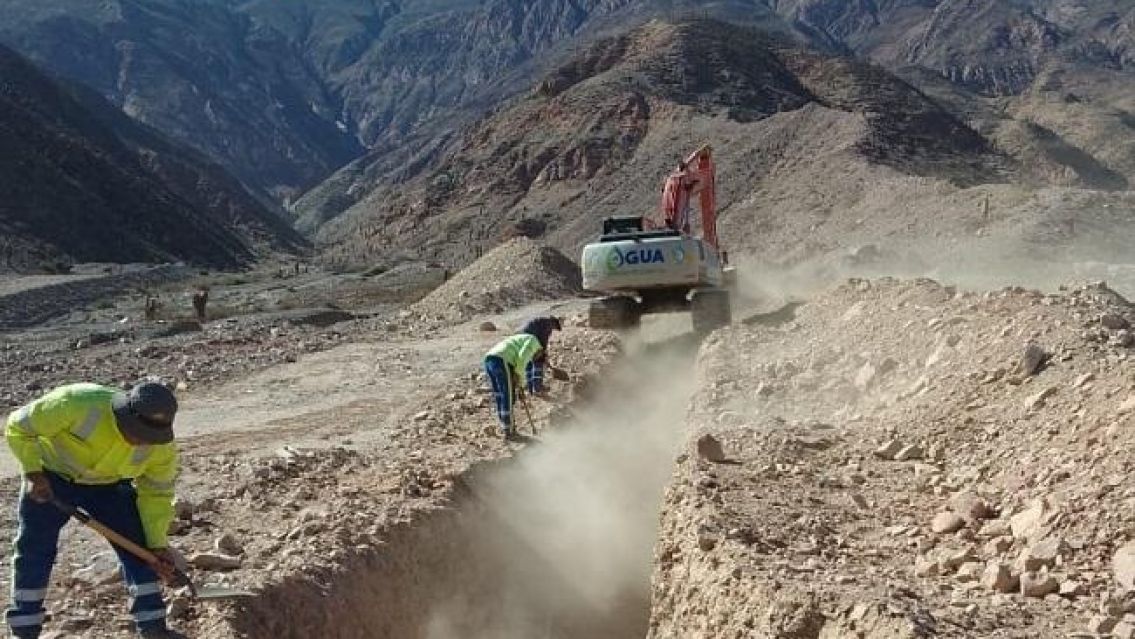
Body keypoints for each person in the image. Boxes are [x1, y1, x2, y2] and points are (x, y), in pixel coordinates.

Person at [5, 382, 182, 639]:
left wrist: (156, 544)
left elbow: (157, 494)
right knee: (35, 548)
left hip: (109, 488)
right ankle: (24, 629)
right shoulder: (76, 403)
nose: (139, 443)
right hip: (50, 478)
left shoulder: (161, 448)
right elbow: (19, 427)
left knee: (140, 550)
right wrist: (33, 471)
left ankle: (154, 627)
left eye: (148, 438)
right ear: (124, 416)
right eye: (136, 433)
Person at [483, 334, 543, 440]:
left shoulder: (524, 339)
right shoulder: (533, 342)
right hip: (502, 360)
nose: (533, 359)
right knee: (507, 396)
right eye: (535, 358)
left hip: (489, 360)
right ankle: (510, 431)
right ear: (540, 351)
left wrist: (519, 384)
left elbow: (519, 363)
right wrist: (519, 379)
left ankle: (505, 427)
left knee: (500, 396)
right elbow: (522, 359)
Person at [518, 316, 562, 394]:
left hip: (522, 340)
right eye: (554, 328)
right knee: (538, 362)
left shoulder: (541, 321)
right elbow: (543, 341)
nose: (553, 330)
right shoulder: (547, 325)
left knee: (529, 362)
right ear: (554, 324)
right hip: (531, 340)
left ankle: (530, 387)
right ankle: (538, 388)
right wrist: (543, 353)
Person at [660, 160, 699, 234]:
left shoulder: (670, 178)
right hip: (677, 206)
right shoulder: (682, 178)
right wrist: (694, 183)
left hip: (669, 206)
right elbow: (687, 187)